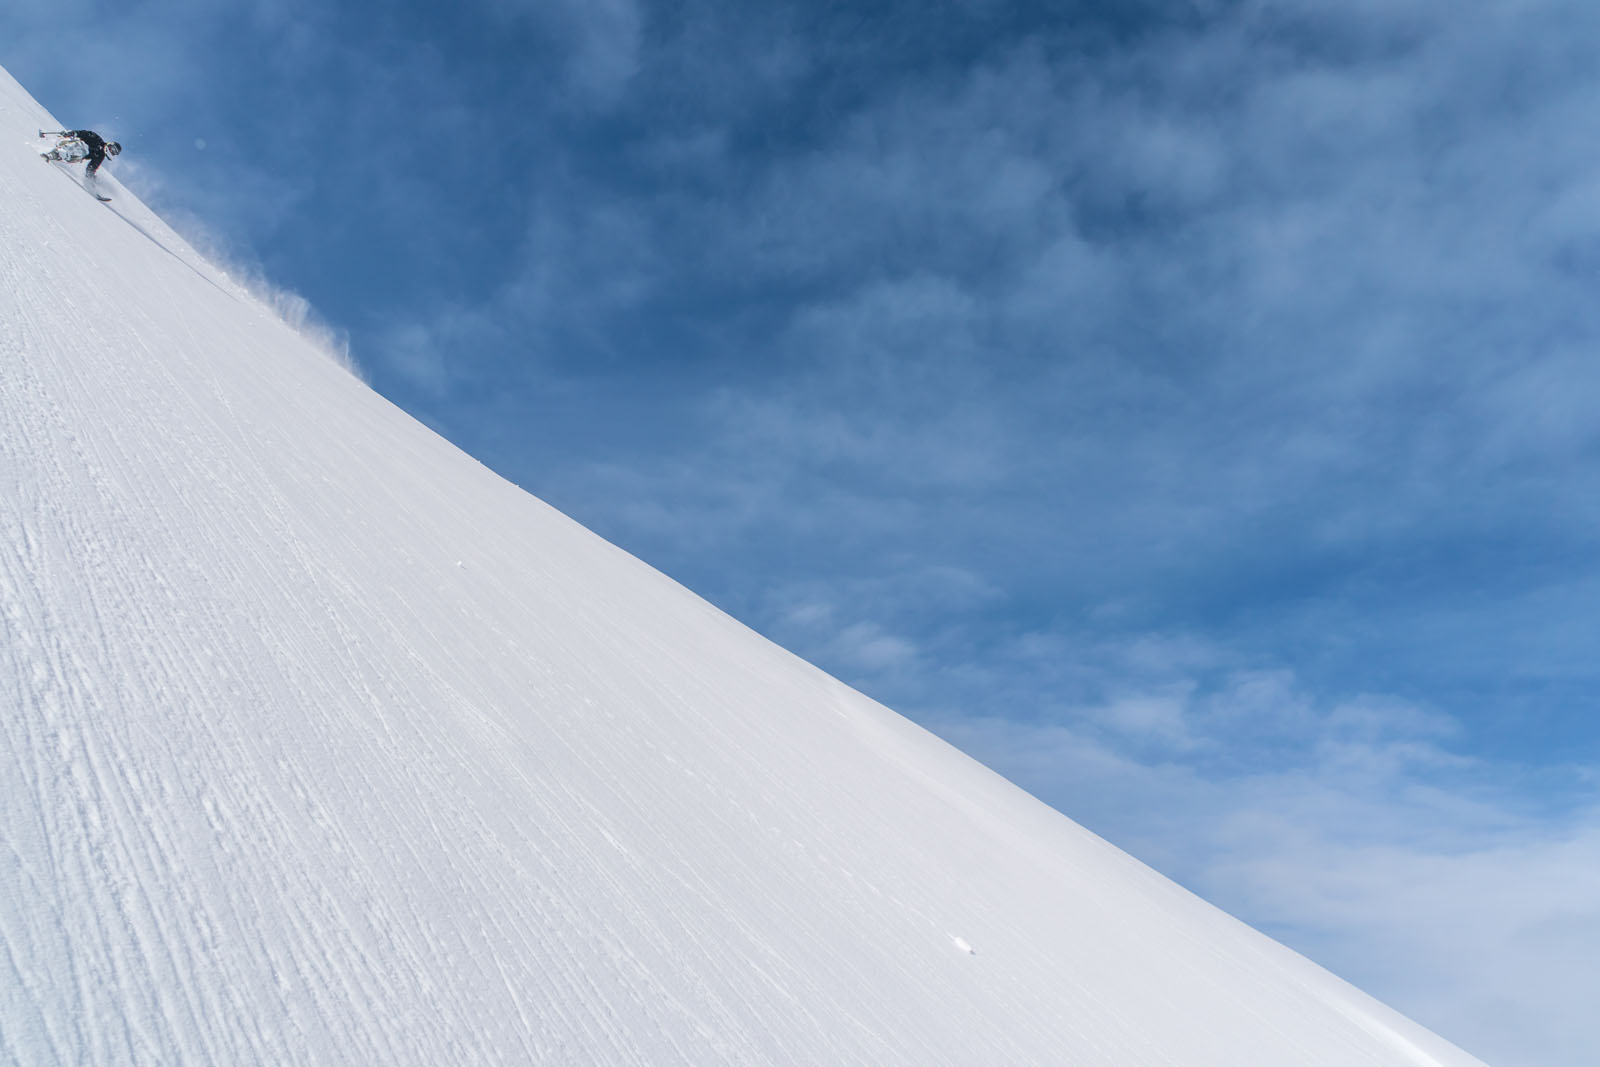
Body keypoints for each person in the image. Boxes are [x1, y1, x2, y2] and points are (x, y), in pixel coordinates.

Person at [41, 130, 121, 177]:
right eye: (111, 149)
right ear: (109, 145)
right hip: (71, 143)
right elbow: (86, 133)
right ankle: (50, 155)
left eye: (113, 152)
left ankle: (56, 156)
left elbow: (92, 166)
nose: (111, 151)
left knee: (79, 154)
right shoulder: (98, 140)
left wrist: (90, 175)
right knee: (83, 148)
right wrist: (74, 133)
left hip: (76, 156)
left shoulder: (100, 156)